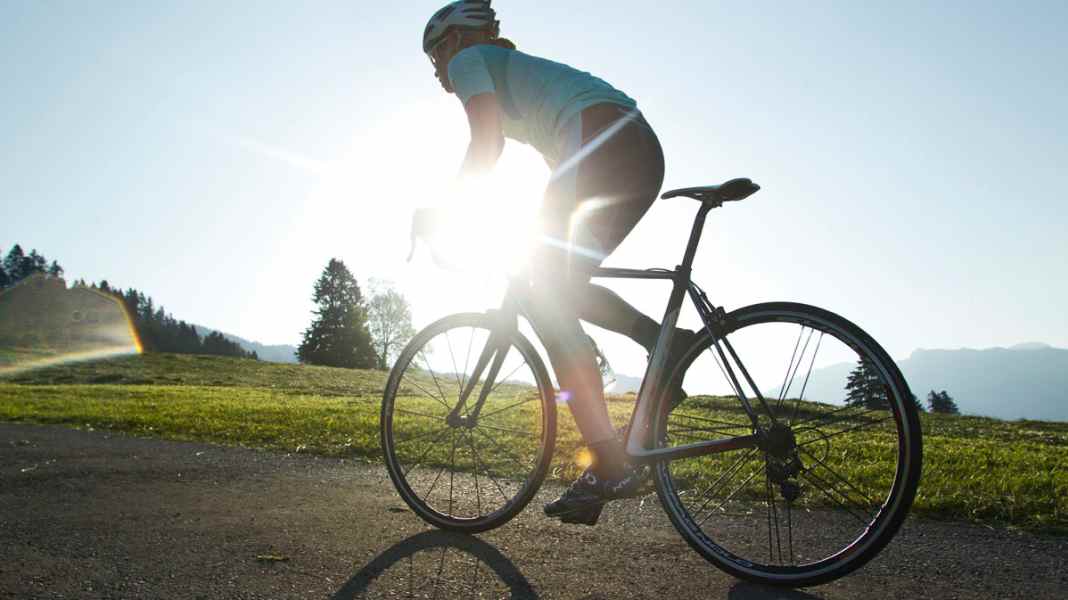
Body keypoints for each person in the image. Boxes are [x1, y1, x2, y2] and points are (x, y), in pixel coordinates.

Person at [418, 0, 694, 525]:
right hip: (636, 148)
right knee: (560, 282)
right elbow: (555, 176)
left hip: (601, 140)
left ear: (455, 40)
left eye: (435, 54)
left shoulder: (470, 61)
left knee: (543, 292)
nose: (437, 70)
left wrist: (444, 210)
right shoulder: (525, 83)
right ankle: (665, 343)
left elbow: (486, 145)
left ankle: (608, 462)